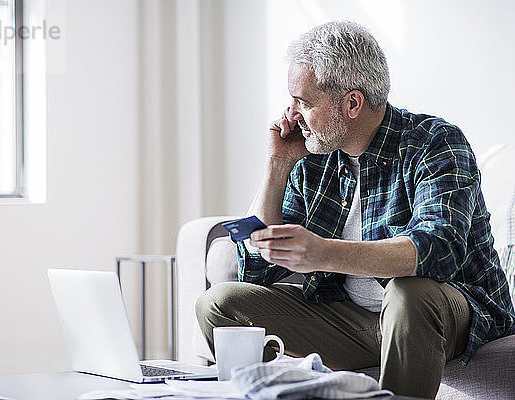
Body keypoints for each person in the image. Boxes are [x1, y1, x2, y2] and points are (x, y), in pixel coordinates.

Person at [195, 21, 515, 399]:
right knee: (220, 305)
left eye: (304, 101)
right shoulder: (314, 157)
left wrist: (323, 253)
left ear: (351, 104)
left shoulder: (435, 142)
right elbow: (260, 269)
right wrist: (277, 166)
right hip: (356, 321)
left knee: (408, 294)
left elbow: (437, 248)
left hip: (448, 312)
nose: (292, 114)